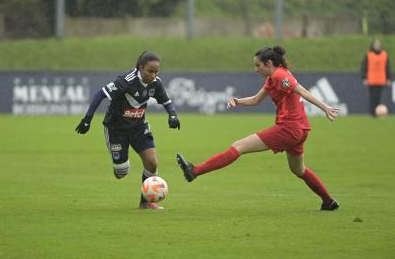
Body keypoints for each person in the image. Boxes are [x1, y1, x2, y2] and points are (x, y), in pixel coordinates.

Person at [177, 46, 340, 211]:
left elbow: (302, 91)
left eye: (257, 65)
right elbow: (256, 100)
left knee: (238, 146)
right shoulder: (273, 77)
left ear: (268, 63)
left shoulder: (279, 75)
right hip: (300, 130)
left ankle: (194, 171)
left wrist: (325, 107)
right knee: (298, 169)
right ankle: (328, 201)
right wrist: (238, 101)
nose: (255, 70)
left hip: (288, 129)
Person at [76, 51, 180, 210]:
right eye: (150, 71)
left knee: (152, 163)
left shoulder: (155, 83)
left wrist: (172, 115)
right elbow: (100, 94)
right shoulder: (125, 81)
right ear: (140, 68)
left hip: (139, 128)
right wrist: (87, 119)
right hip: (116, 129)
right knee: (121, 172)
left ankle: (145, 202)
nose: (153, 75)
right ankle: (121, 163)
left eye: (156, 71)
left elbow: (167, 101)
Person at [361, 39, 392, 116]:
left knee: (378, 98)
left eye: (378, 44)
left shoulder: (384, 54)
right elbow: (364, 67)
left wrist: (388, 78)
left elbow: (387, 67)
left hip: (381, 80)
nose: (377, 46)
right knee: (372, 98)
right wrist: (364, 77)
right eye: (376, 44)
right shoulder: (369, 55)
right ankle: (373, 113)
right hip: (371, 80)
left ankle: (378, 112)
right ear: (373, 45)